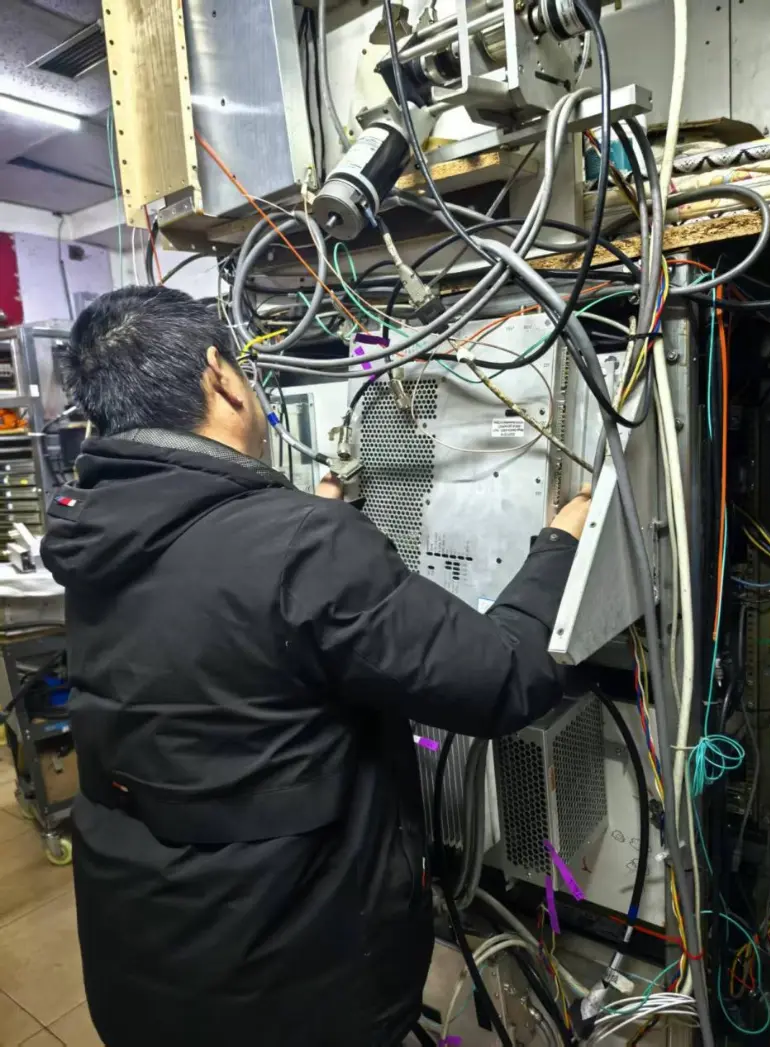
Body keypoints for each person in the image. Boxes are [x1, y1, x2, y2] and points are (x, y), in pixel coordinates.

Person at [42, 285, 591, 1047]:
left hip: (143, 970)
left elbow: (223, 613)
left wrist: (312, 519)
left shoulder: (92, 528)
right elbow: (507, 677)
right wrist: (562, 541)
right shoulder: (302, 545)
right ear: (220, 377)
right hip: (293, 991)